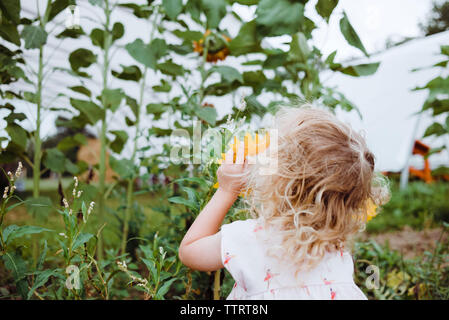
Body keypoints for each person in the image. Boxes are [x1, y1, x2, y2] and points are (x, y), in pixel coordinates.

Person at [179, 105, 390, 299]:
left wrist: (226, 190)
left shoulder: (250, 239)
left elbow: (189, 251)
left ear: (283, 182)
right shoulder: (336, 247)